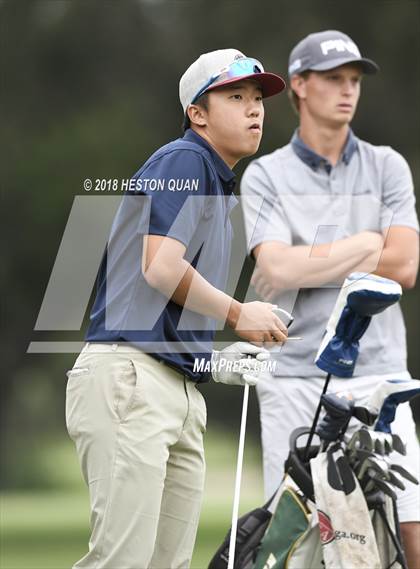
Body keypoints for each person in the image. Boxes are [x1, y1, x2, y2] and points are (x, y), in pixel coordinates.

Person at [65, 49, 288, 569]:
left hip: (176, 389)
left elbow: (168, 300)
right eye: (236, 96)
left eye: (258, 98)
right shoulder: (184, 161)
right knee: (122, 562)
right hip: (131, 381)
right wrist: (239, 314)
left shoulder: (218, 186)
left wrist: (216, 358)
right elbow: (160, 268)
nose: (255, 109)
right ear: (198, 113)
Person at [241, 30, 420, 568]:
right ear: (299, 86)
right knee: (295, 536)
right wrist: (368, 245)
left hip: (379, 374)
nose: (348, 90)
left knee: (410, 524)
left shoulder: (387, 166)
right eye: (333, 79)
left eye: (354, 80)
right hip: (294, 373)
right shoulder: (266, 175)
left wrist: (312, 259)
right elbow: (273, 268)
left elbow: (406, 266)